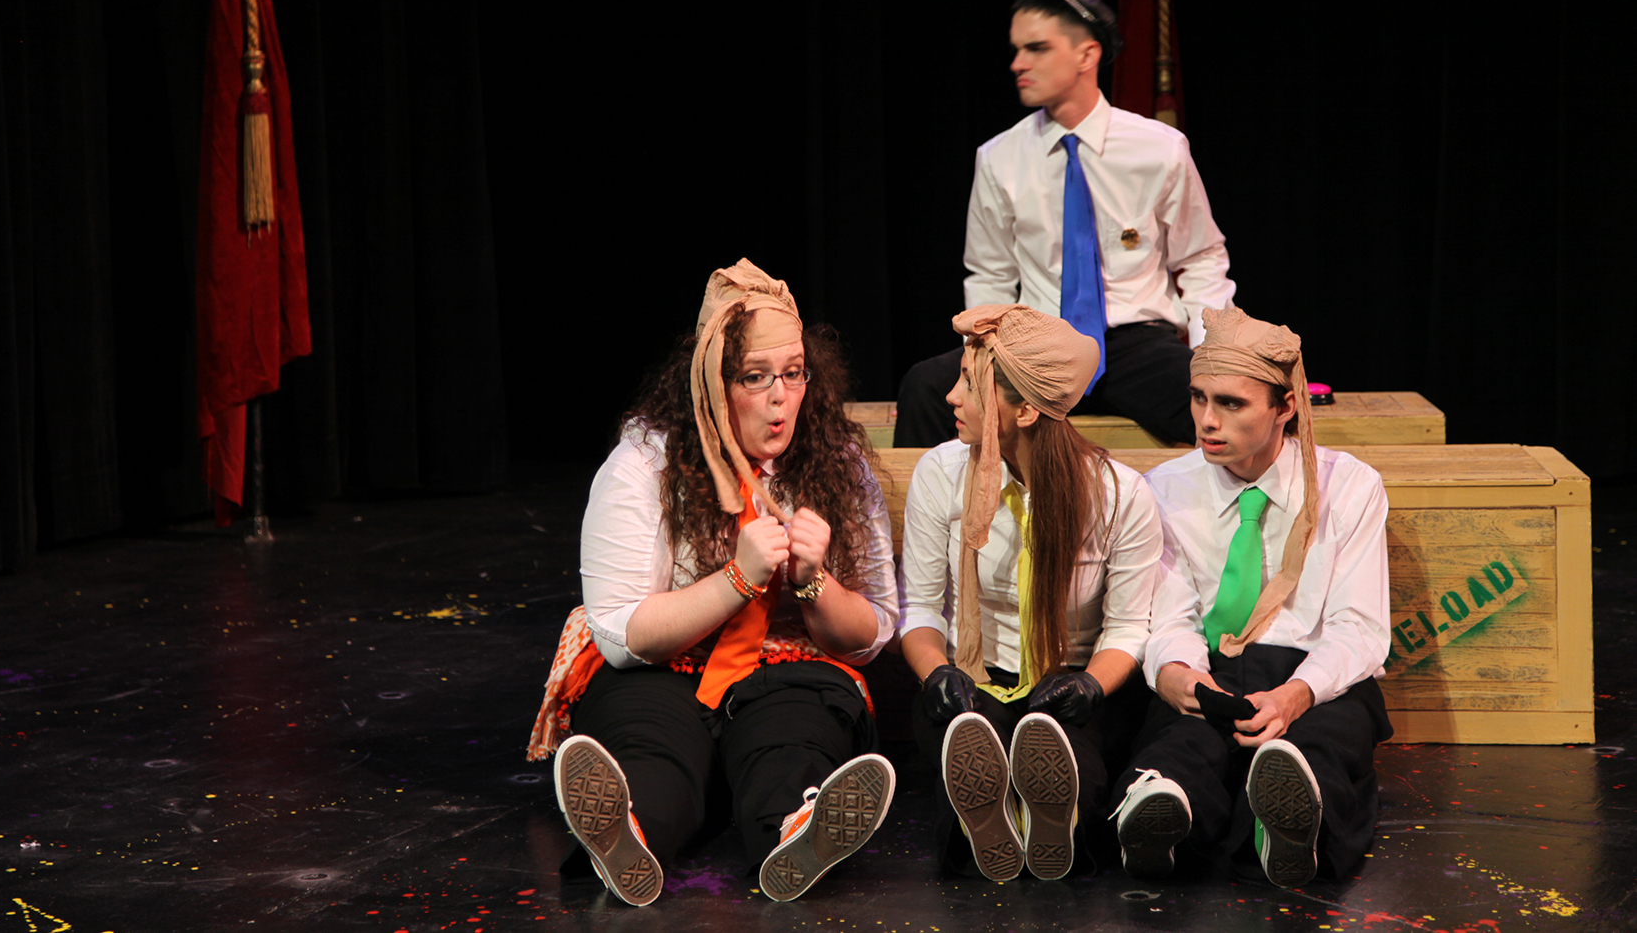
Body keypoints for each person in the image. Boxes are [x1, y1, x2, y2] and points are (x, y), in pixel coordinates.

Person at [527, 260, 901, 905]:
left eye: (793, 374)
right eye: (756, 379)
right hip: (665, 662)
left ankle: (798, 828)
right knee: (654, 751)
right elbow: (619, 634)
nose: (781, 397)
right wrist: (737, 578)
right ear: (710, 383)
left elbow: (872, 634)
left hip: (786, 662)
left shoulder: (836, 460)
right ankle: (629, 829)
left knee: (792, 740)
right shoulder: (645, 461)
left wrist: (814, 583)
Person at [1110, 305, 1392, 888]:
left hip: (1311, 673)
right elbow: (1171, 616)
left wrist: (1295, 696)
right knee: (1182, 741)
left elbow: (1358, 628)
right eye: (1197, 398)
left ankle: (1288, 827)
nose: (1206, 421)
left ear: (1286, 406)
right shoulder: (1164, 489)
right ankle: (1163, 819)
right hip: (1213, 664)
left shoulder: (1349, 486)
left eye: (1231, 404)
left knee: (1323, 743)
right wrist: (1180, 674)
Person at [895, 0, 1235, 448]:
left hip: (1133, 342)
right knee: (926, 388)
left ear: (1085, 54)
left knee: (1226, 404)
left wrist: (1211, 355)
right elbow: (989, 274)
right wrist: (982, 358)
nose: (1017, 63)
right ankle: (940, 522)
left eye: (1036, 48)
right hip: (1035, 345)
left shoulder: (1158, 148)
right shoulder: (999, 157)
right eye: (1015, 49)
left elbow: (1200, 259)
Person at [898, 303, 1162, 881]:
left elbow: (1127, 628)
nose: (950, 399)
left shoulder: (1119, 494)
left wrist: (1093, 684)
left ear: (1026, 409)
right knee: (973, 739)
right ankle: (995, 822)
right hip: (974, 671)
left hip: (1067, 681)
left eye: (970, 386)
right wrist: (936, 672)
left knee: (1074, 765)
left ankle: (1051, 820)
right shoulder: (941, 474)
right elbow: (919, 609)